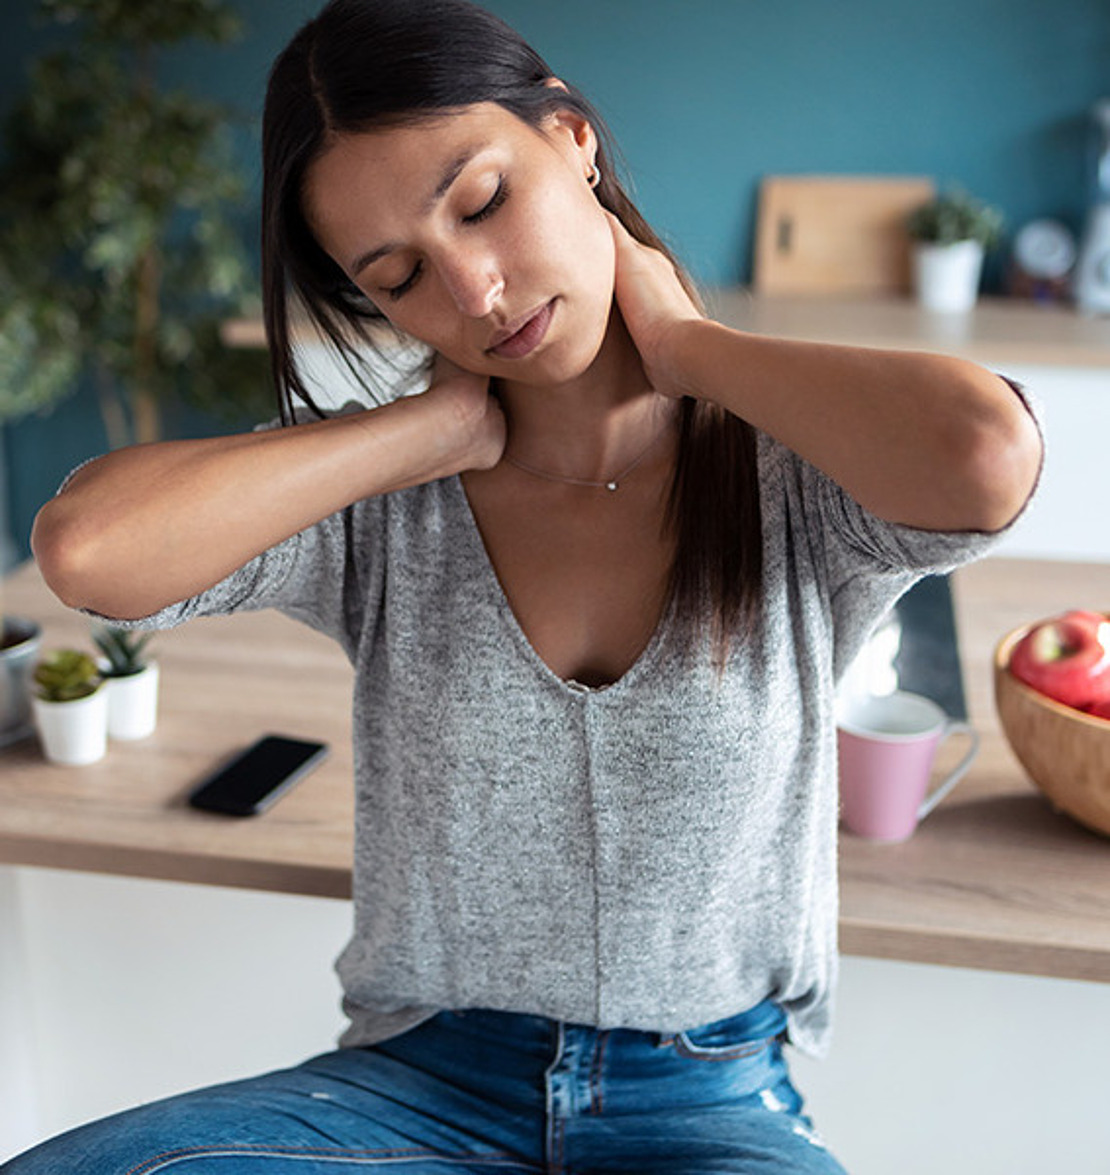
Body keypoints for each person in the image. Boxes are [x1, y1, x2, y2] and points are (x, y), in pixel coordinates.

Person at [8, 0, 1042, 1171]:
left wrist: (692, 348)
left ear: (574, 138)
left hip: (706, 1101)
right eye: (400, 278)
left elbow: (987, 457)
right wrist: (420, 434)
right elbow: (89, 549)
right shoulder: (385, 507)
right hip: (415, 1088)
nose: (477, 292)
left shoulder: (789, 466)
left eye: (482, 201)